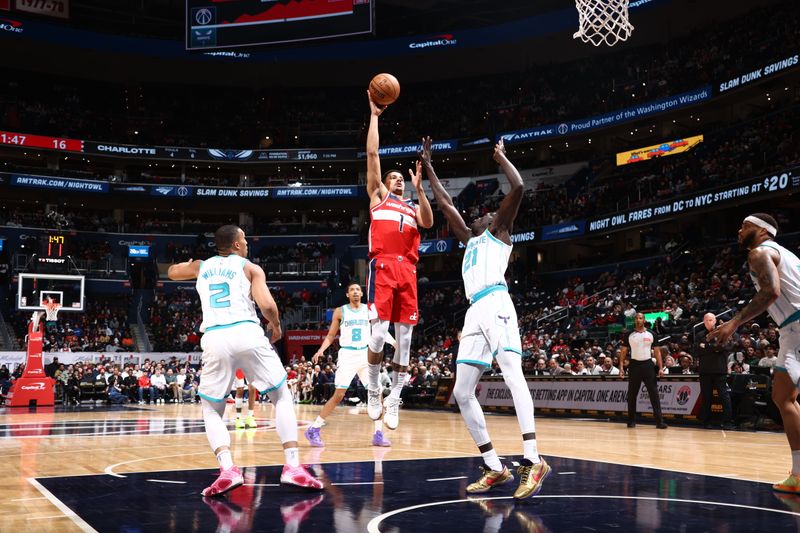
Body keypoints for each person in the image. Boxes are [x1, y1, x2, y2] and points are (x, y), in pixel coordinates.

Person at [424, 136, 549, 500]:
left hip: (496, 301)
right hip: (474, 310)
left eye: (491, 212)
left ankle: (533, 459)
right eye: (482, 213)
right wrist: (429, 166)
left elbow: (520, 186)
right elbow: (445, 204)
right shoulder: (469, 238)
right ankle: (495, 466)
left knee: (512, 374)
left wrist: (501, 159)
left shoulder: (498, 232)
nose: (485, 213)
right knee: (462, 391)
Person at [168, 224, 322, 497]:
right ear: (237, 245)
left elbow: (170, 272)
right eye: (245, 239)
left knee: (211, 409)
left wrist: (188, 264)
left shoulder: (201, 266)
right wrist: (275, 325)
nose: (248, 243)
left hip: (215, 337)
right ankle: (293, 467)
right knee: (281, 396)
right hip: (246, 331)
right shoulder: (250, 267)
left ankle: (227, 469)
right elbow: (267, 305)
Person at [708, 213, 800, 494]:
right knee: (786, 398)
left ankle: (799, 475)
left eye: (745, 226)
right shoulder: (788, 255)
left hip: (796, 326)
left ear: (762, 230)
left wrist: (734, 322)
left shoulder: (760, 252)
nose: (739, 230)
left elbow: (771, 292)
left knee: (784, 398)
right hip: (793, 328)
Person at [363, 92, 434, 430]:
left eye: (401, 179)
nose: (398, 181)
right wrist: (375, 116)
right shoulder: (379, 198)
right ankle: (374, 389)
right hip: (383, 266)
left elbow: (429, 222)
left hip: (407, 270)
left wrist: (420, 190)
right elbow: (373, 153)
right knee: (378, 337)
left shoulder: (410, 206)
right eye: (394, 178)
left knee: (404, 340)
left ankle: (395, 399)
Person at [304, 281, 394, 448]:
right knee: (338, 395)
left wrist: (395, 343)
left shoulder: (369, 310)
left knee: (376, 392)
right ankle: (314, 429)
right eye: (351, 289)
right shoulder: (340, 311)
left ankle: (378, 434)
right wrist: (321, 350)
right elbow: (331, 336)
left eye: (358, 289)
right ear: (347, 294)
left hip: (365, 354)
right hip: (347, 354)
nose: (355, 292)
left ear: (362, 294)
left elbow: (380, 331)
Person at [618, 313, 668, 429]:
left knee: (654, 393)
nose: (638, 320)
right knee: (632, 394)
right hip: (634, 365)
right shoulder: (628, 334)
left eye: (640, 318)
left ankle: (659, 421)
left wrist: (660, 368)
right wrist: (621, 368)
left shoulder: (652, 334)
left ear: (644, 320)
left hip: (648, 365)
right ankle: (631, 421)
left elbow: (657, 352)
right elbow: (623, 352)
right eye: (636, 318)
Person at [694, 312, 735, 430]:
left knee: (724, 396)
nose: (708, 322)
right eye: (706, 320)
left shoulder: (723, 333)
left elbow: (725, 347)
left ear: (715, 321)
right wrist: (714, 348)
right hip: (705, 371)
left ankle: (727, 421)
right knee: (706, 397)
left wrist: (706, 346)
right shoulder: (700, 335)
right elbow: (696, 351)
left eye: (711, 320)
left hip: (719, 370)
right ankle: (706, 422)